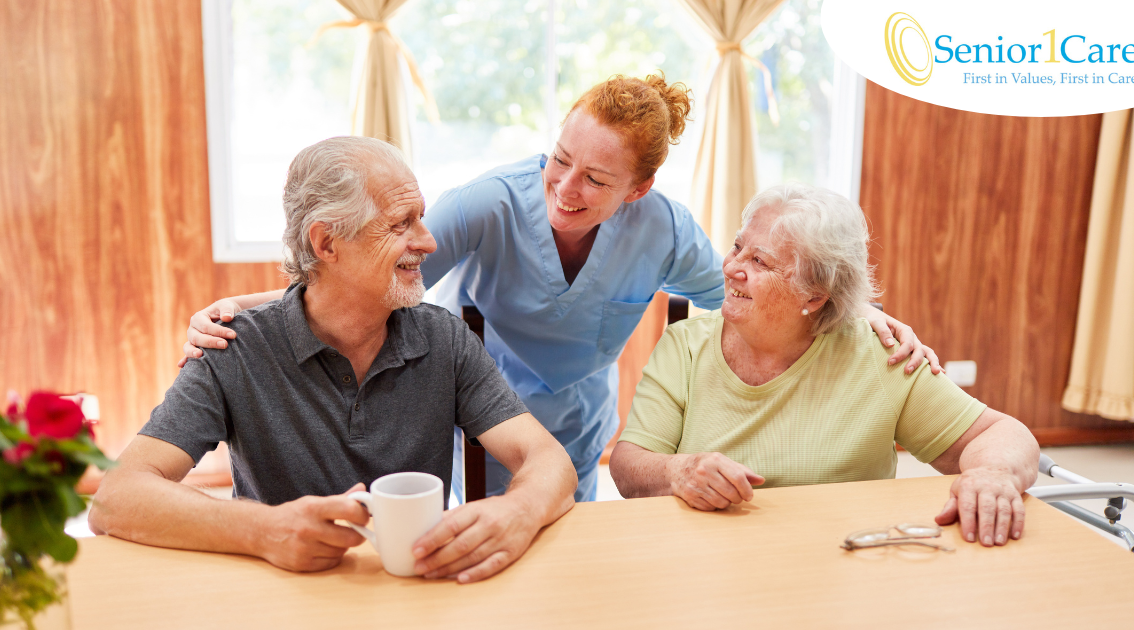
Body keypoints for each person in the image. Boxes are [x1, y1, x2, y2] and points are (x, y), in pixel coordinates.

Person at [178, 74, 940, 503]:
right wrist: (244, 310)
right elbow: (371, 273)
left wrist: (863, 316)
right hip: (475, 398)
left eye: (596, 179)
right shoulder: (488, 203)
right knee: (468, 524)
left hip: (576, 417)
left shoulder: (665, 228)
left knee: (561, 533)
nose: (565, 188)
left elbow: (752, 288)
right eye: (558, 159)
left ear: (638, 190)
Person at [89, 137, 577, 582]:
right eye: (400, 223)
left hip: (416, 590)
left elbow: (549, 460)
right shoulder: (232, 348)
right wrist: (263, 529)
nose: (428, 241)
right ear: (326, 243)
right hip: (279, 595)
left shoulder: (443, 339)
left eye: (421, 218)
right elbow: (116, 498)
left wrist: (518, 512)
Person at [609, 184, 1039, 547]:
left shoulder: (878, 355)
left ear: (814, 297)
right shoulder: (685, 347)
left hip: (843, 563)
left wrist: (992, 474)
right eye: (738, 247)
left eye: (760, 261)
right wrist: (677, 471)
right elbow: (629, 466)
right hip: (707, 560)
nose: (732, 268)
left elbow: (1000, 433)